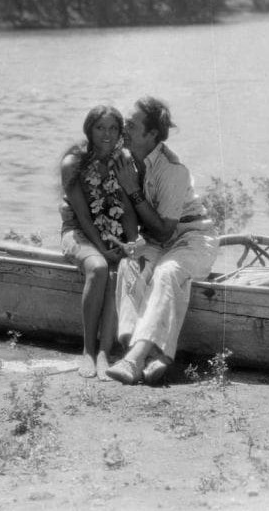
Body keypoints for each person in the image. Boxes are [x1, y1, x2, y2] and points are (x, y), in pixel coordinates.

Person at [105, 96, 219, 385]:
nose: (124, 128)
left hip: (193, 237)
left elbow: (167, 231)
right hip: (157, 237)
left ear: (152, 134)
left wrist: (132, 190)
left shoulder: (172, 169)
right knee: (131, 265)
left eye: (131, 124)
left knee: (167, 273)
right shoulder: (129, 160)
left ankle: (134, 359)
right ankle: (146, 351)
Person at [59, 104, 140, 379]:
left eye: (113, 128)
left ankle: (106, 352)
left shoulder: (123, 161)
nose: (107, 134)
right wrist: (103, 250)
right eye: (100, 128)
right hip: (79, 232)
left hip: (112, 233)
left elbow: (127, 209)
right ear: (89, 129)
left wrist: (130, 244)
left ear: (120, 132)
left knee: (123, 269)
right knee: (99, 268)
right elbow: (82, 214)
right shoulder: (73, 163)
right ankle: (88, 351)